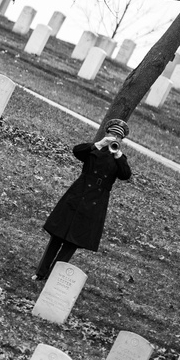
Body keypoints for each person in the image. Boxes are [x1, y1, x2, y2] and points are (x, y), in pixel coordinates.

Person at [33, 118, 132, 281]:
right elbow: (77, 151)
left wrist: (118, 155)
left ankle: (53, 277)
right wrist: (99, 144)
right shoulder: (94, 149)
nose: (115, 138)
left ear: (121, 140)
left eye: (118, 137)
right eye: (112, 134)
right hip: (78, 195)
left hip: (95, 203)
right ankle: (40, 273)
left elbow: (125, 175)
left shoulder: (119, 158)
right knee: (57, 237)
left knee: (72, 242)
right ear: (107, 134)